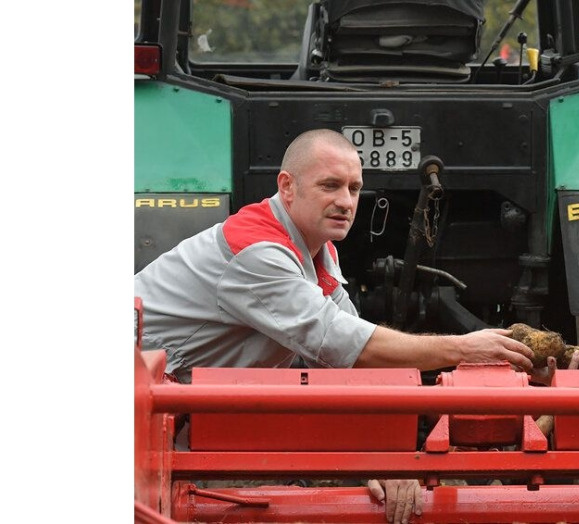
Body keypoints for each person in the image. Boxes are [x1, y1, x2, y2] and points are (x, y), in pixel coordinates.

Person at [134, 128, 538, 524]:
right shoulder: (258, 251)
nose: (345, 202)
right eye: (330, 186)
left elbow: (349, 368)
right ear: (287, 186)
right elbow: (350, 346)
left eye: (354, 188)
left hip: (166, 412)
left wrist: (386, 458)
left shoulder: (318, 252)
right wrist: (463, 349)